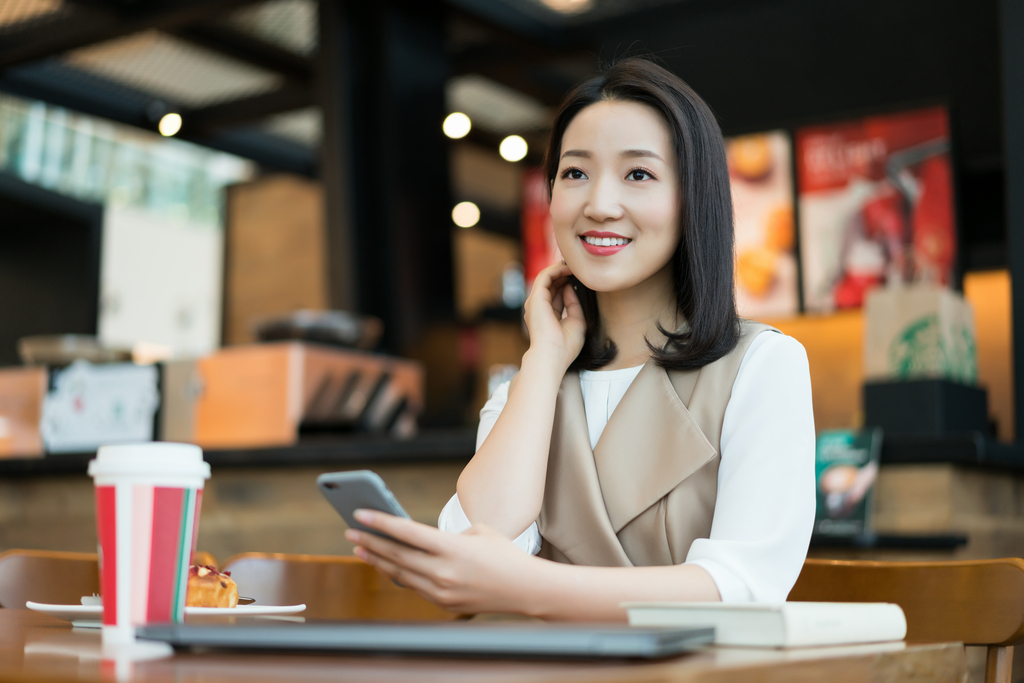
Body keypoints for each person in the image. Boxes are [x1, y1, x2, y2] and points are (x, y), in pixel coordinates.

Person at [345, 57, 815, 621]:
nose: (599, 204)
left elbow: (742, 588)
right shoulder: (531, 386)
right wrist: (544, 359)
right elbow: (484, 535)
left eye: (638, 174)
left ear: (695, 197)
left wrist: (527, 587)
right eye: (575, 173)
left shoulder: (762, 365)